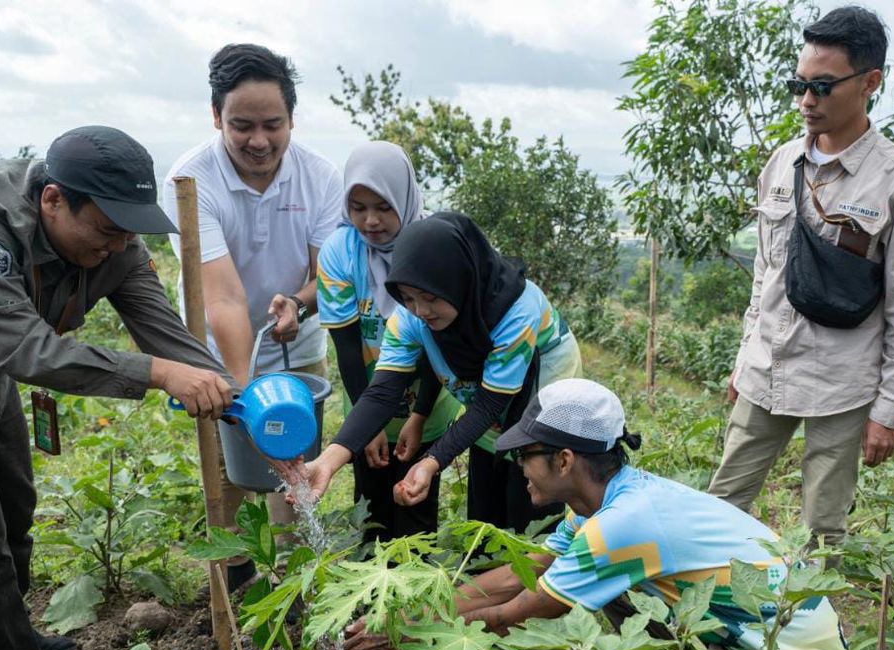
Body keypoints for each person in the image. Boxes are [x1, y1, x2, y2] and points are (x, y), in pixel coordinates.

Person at [343, 378, 865, 650]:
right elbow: (519, 576)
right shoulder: (599, 505)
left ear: (565, 459)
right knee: (597, 619)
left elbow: (521, 610)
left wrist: (404, 634)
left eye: (527, 455)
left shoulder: (621, 525)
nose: (519, 467)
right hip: (758, 642)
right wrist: (408, 612)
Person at [0, 125, 234, 650]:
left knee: (13, 515)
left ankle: (10, 638)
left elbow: (163, 333)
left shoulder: (115, 246)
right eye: (108, 230)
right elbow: (23, 347)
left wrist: (238, 402)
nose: (118, 247)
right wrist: (158, 375)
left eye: (129, 233)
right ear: (54, 200)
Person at [710, 6, 894, 554]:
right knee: (719, 507)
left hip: (842, 382)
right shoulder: (783, 160)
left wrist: (888, 412)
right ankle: (705, 620)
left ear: (869, 83)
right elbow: (766, 273)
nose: (807, 100)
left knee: (822, 530)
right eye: (799, 85)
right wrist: (744, 359)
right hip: (767, 367)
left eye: (822, 86)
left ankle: (810, 635)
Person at [163, 43, 342, 583]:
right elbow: (223, 299)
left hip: (296, 347)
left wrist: (299, 303)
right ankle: (237, 576)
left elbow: (324, 277)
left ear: (292, 118)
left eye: (273, 124)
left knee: (294, 465)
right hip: (219, 352)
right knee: (231, 474)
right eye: (241, 125)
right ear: (216, 116)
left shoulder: (319, 178)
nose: (258, 141)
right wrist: (244, 399)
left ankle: (294, 575)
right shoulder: (191, 182)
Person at [292, 211, 582, 533]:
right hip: (488, 405)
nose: (420, 311)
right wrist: (330, 461)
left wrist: (431, 462)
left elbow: (489, 404)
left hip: (542, 395)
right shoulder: (411, 317)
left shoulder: (516, 312)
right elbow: (382, 392)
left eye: (430, 298)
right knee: (485, 515)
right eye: (408, 298)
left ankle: (538, 575)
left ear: (461, 282)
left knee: (531, 501)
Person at [317, 142, 459, 540]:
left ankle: (414, 600)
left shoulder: (430, 245)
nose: (370, 220)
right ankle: (372, 600)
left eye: (383, 206)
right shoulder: (339, 253)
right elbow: (346, 347)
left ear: (404, 196)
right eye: (358, 208)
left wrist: (419, 415)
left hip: (427, 402)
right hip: (367, 402)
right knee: (372, 515)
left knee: (416, 510)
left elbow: (439, 346)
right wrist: (369, 425)